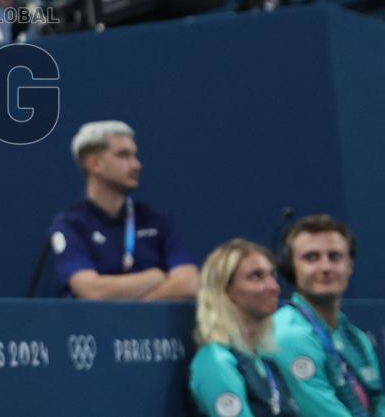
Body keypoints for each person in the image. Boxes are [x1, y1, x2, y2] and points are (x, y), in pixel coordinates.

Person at [49, 120, 199, 299]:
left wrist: (134, 309)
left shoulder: (155, 220)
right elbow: (91, 291)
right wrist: (155, 276)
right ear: (94, 164)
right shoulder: (71, 224)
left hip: (150, 326)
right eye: (123, 155)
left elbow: (189, 282)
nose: (136, 165)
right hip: (90, 327)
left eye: (135, 155)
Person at [271, 215, 384, 416]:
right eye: (311, 258)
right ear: (291, 267)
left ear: (349, 266)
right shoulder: (286, 333)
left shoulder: (355, 337)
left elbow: (378, 400)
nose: (325, 267)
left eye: (335, 256)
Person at [189, 239, 300, 417]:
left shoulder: (264, 358)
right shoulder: (217, 361)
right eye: (256, 276)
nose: (274, 287)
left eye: (272, 275)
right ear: (227, 290)